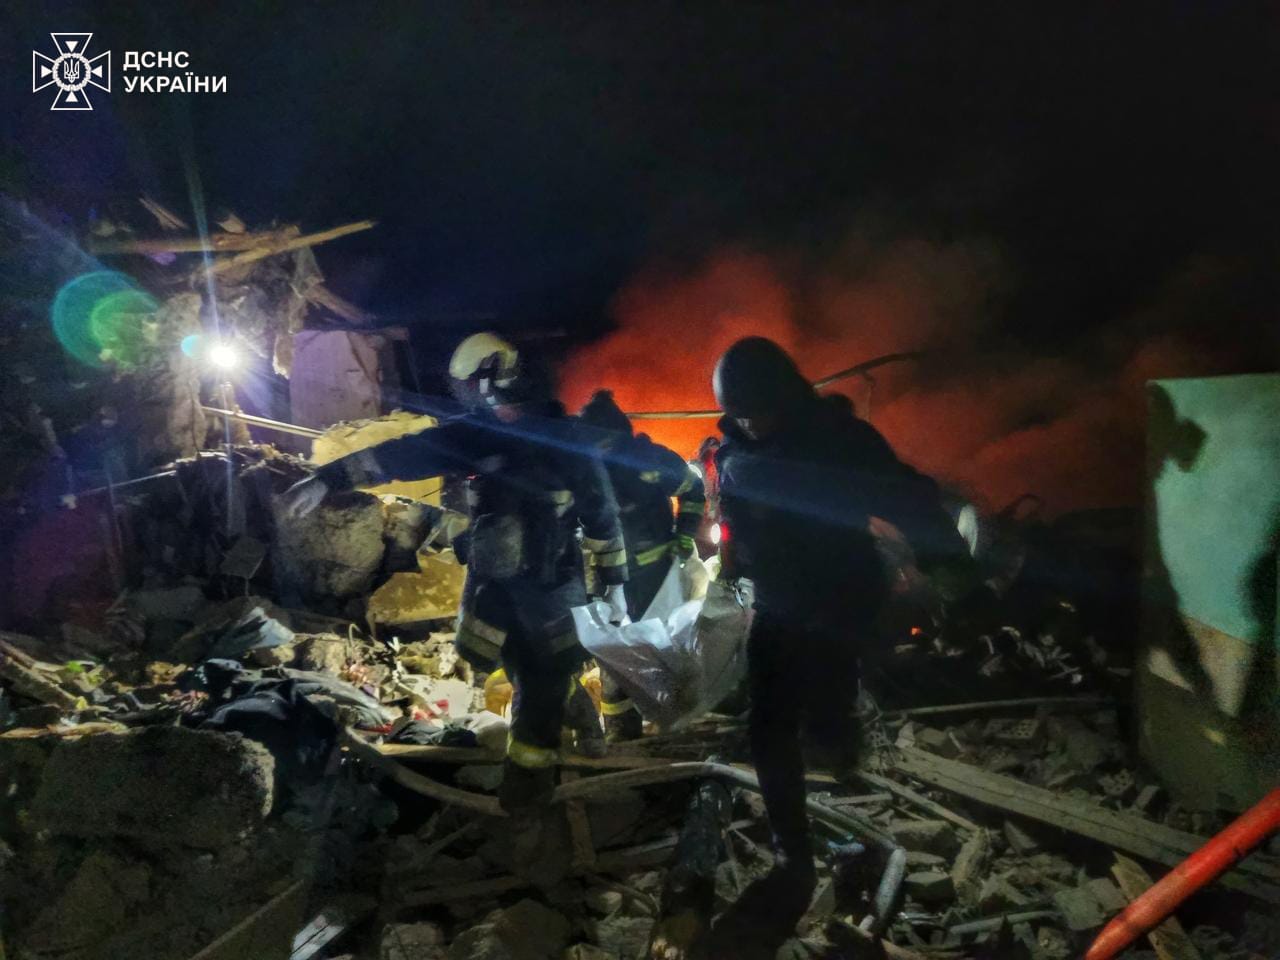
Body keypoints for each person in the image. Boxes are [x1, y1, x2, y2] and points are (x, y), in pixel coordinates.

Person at [282, 332, 629, 811]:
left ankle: (528, 787)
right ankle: (574, 709)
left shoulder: (566, 440)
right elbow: (403, 453)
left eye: (469, 384)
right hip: (494, 585)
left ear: (489, 382)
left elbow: (601, 514)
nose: (466, 395)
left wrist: (614, 584)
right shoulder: (475, 435)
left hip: (551, 588)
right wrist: (328, 479)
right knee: (513, 663)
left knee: (543, 679)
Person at [708, 337, 974, 951]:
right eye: (738, 414)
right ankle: (791, 853)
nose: (749, 423)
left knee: (828, 706)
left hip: (839, 598)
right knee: (768, 725)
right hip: (779, 604)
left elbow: (908, 496)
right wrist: (732, 563)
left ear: (783, 396)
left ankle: (835, 738)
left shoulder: (841, 441)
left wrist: (953, 565)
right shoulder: (737, 453)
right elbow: (737, 523)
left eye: (757, 411)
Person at [577, 389, 706, 740]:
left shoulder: (649, 460)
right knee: (613, 652)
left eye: (604, 442)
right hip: (606, 577)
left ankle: (674, 724)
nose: (600, 450)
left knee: (661, 649)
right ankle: (622, 733)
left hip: (654, 575)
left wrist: (685, 533)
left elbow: (693, 489)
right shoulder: (582, 467)